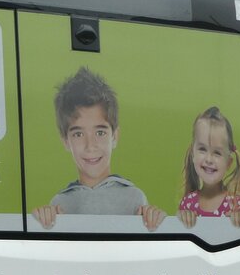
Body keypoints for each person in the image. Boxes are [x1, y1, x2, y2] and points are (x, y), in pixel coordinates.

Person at [32, 68, 164, 230]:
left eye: (100, 132)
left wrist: (153, 223)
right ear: (66, 141)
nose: (90, 146)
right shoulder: (59, 204)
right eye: (78, 134)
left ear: (114, 136)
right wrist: (43, 222)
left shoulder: (135, 198)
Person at [177, 106, 240, 228]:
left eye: (217, 153)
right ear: (193, 154)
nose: (208, 159)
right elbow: (180, 240)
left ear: (228, 163)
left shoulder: (238, 205)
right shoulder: (187, 203)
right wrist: (182, 218)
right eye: (202, 149)